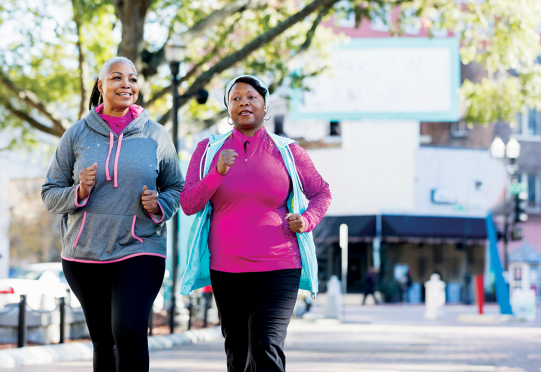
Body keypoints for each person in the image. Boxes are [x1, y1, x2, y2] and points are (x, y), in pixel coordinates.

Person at [179, 75, 331, 372]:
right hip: (227, 270)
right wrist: (217, 173)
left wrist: (307, 219)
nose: (244, 103)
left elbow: (321, 192)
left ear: (265, 106)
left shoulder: (287, 151)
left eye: (252, 97)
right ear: (228, 109)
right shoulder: (208, 150)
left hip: (279, 266)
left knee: (265, 347)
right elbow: (188, 204)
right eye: (235, 98)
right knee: (238, 354)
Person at [41, 56, 184, 372]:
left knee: (130, 331)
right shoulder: (77, 134)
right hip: (85, 252)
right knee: (104, 341)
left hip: (140, 247)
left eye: (133, 79)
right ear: (100, 85)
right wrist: (78, 192)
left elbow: (176, 187)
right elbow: (49, 194)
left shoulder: (156, 136)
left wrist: (158, 204)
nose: (127, 85)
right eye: (117, 78)